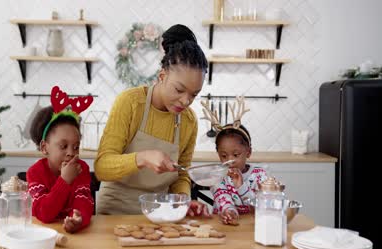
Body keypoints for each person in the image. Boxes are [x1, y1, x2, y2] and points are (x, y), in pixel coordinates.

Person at [95, 24, 210, 216]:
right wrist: (142, 158)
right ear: (162, 76)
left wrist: (182, 200)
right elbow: (102, 167)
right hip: (114, 213)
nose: (186, 101)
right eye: (179, 90)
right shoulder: (131, 103)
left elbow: (181, 175)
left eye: (194, 94)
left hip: (159, 214)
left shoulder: (189, 121)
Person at [27, 86, 94, 233]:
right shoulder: (35, 172)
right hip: (41, 234)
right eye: (63, 146)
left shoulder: (81, 168)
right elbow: (44, 214)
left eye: (76, 147)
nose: (71, 153)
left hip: (73, 236)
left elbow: (84, 202)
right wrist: (65, 181)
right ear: (45, 147)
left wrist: (78, 219)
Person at [206, 97, 268, 225]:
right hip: (225, 225)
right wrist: (230, 212)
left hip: (252, 227)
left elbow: (261, 207)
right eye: (224, 155)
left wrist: (241, 187)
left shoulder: (260, 176)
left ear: (248, 152)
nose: (230, 161)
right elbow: (223, 198)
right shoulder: (217, 175)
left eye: (236, 154)